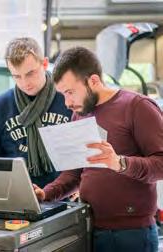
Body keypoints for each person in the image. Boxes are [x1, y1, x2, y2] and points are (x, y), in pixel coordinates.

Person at [34, 46, 163, 252]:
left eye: (70, 92)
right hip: (90, 227)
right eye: (62, 95)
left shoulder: (137, 106)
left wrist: (120, 163)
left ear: (93, 81)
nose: (67, 103)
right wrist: (45, 194)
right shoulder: (81, 114)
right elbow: (75, 174)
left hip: (132, 235)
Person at [0, 37, 72, 188]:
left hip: (63, 195)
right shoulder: (1, 105)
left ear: (45, 64)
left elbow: (84, 155)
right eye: (17, 76)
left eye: (30, 73)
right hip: (16, 194)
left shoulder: (68, 98)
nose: (24, 83)